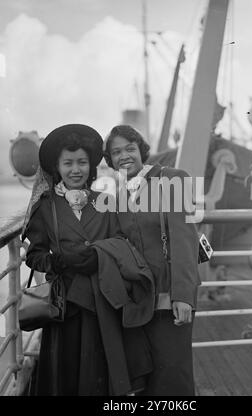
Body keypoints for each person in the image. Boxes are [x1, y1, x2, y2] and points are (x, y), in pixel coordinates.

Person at [22, 124, 152, 396]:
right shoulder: (45, 207)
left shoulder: (106, 201)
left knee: (99, 374)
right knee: (66, 376)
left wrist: (99, 254)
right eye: (68, 163)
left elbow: (121, 242)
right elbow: (34, 256)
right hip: (64, 306)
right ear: (57, 167)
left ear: (91, 166)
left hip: (101, 303)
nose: (75, 169)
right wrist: (57, 261)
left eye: (81, 162)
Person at [104, 124, 201, 396]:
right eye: (116, 152)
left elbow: (185, 240)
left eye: (130, 149)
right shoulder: (121, 196)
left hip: (171, 296)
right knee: (148, 377)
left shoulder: (172, 179)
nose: (124, 156)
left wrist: (184, 295)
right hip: (141, 300)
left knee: (173, 373)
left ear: (141, 150)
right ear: (110, 160)